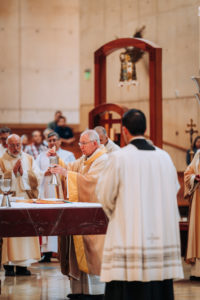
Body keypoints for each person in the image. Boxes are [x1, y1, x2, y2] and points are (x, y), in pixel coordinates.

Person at [96, 109, 183, 300]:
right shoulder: (165, 158)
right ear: (145, 128)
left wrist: (119, 215)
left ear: (124, 131)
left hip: (129, 235)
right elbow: (174, 190)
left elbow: (104, 195)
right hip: (159, 238)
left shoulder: (119, 158)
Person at [51, 129, 108, 300]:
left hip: (94, 217)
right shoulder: (85, 159)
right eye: (80, 143)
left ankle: (95, 292)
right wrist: (58, 162)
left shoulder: (102, 160)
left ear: (95, 143)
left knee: (92, 252)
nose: (81, 147)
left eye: (84, 143)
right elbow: (70, 169)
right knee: (78, 251)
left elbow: (91, 183)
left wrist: (66, 174)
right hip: (81, 216)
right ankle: (79, 291)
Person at [0, 134, 41, 276]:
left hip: (25, 200)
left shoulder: (28, 158)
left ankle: (23, 265)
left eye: (18, 145)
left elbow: (38, 177)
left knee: (25, 233)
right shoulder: (1, 160)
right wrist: (12, 173)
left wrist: (23, 174)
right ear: (7, 145)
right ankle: (9, 266)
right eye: (12, 145)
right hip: (9, 202)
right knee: (10, 234)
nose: (16, 148)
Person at [36, 132, 75, 263]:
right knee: (48, 220)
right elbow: (35, 174)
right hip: (47, 193)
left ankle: (62, 251)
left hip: (62, 194)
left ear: (60, 141)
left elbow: (72, 172)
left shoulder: (68, 155)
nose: (52, 142)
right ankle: (47, 253)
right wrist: (44, 173)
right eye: (50, 140)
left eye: (54, 140)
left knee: (61, 220)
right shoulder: (41, 156)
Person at [184, 149, 200, 280]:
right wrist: (195, 178)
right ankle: (197, 272)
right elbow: (188, 173)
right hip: (198, 198)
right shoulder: (199, 154)